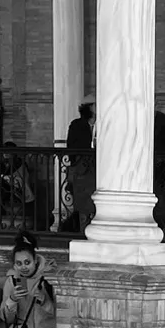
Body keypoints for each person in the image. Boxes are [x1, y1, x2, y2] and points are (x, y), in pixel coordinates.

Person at [64, 97, 97, 233]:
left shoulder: (102, 124)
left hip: (98, 169)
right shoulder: (77, 125)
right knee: (83, 203)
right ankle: (83, 231)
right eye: (95, 105)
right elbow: (71, 145)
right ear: (89, 107)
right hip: (82, 169)